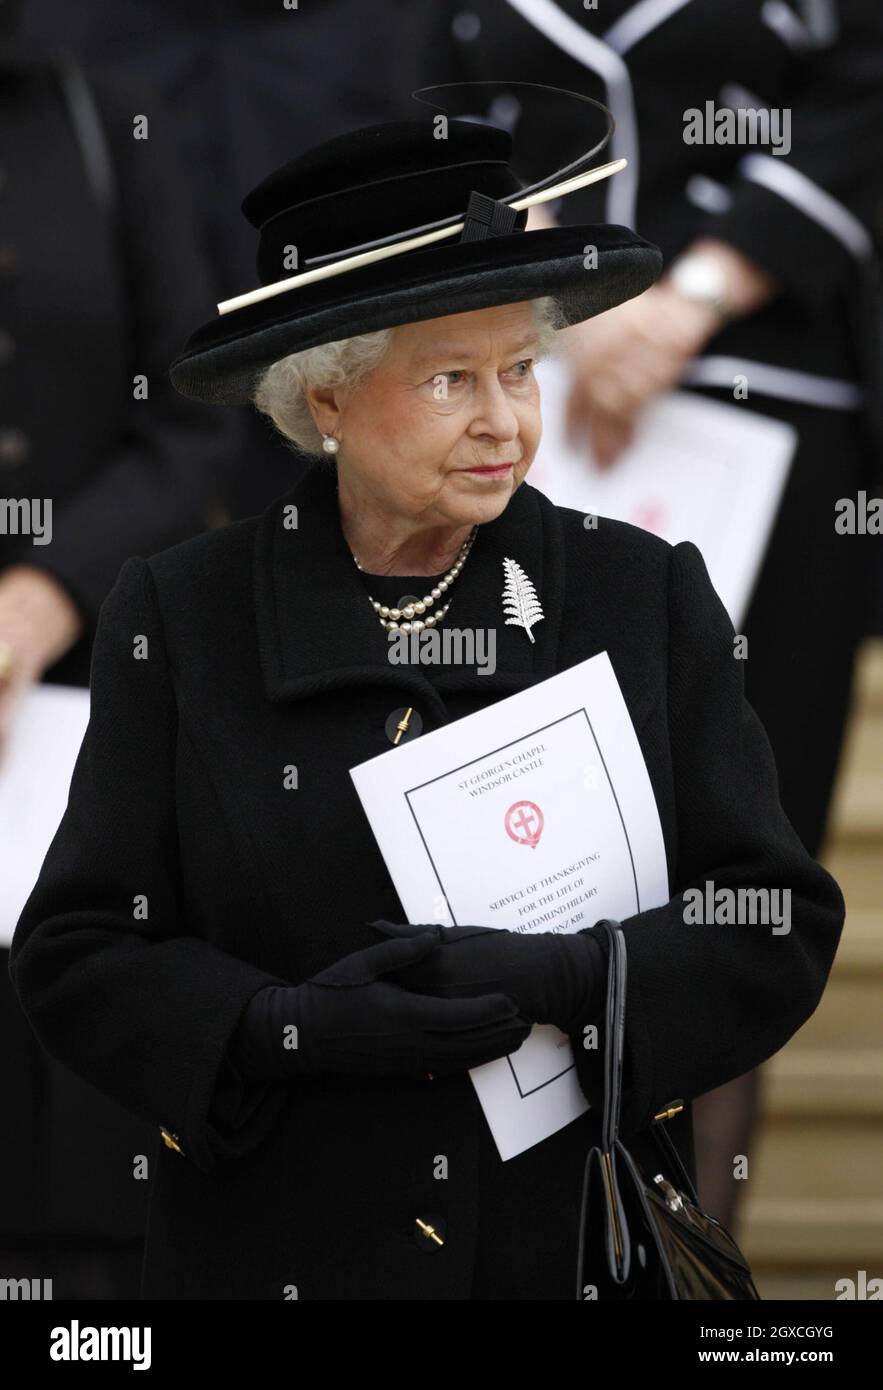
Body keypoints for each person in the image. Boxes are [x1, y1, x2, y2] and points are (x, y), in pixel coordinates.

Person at [9, 110, 845, 1300]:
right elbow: (78, 955)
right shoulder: (184, 613)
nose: (504, 422)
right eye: (451, 378)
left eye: (519, 370)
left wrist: (575, 979)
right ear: (329, 402)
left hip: (561, 1257)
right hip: (279, 1252)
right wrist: (279, 1026)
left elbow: (771, 921)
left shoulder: (640, 592)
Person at [402, 0, 883, 1231]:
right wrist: (559, 283)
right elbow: (427, 119)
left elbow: (862, 100)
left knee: (731, 867)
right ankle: (513, 1251)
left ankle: (687, 1261)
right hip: (518, 410)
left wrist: (684, 298)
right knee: (520, 846)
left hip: (766, 418)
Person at [0, 5, 233, 1298]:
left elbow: (191, 417)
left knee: (76, 1140)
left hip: (82, 701)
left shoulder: (96, 114)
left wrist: (44, 590)